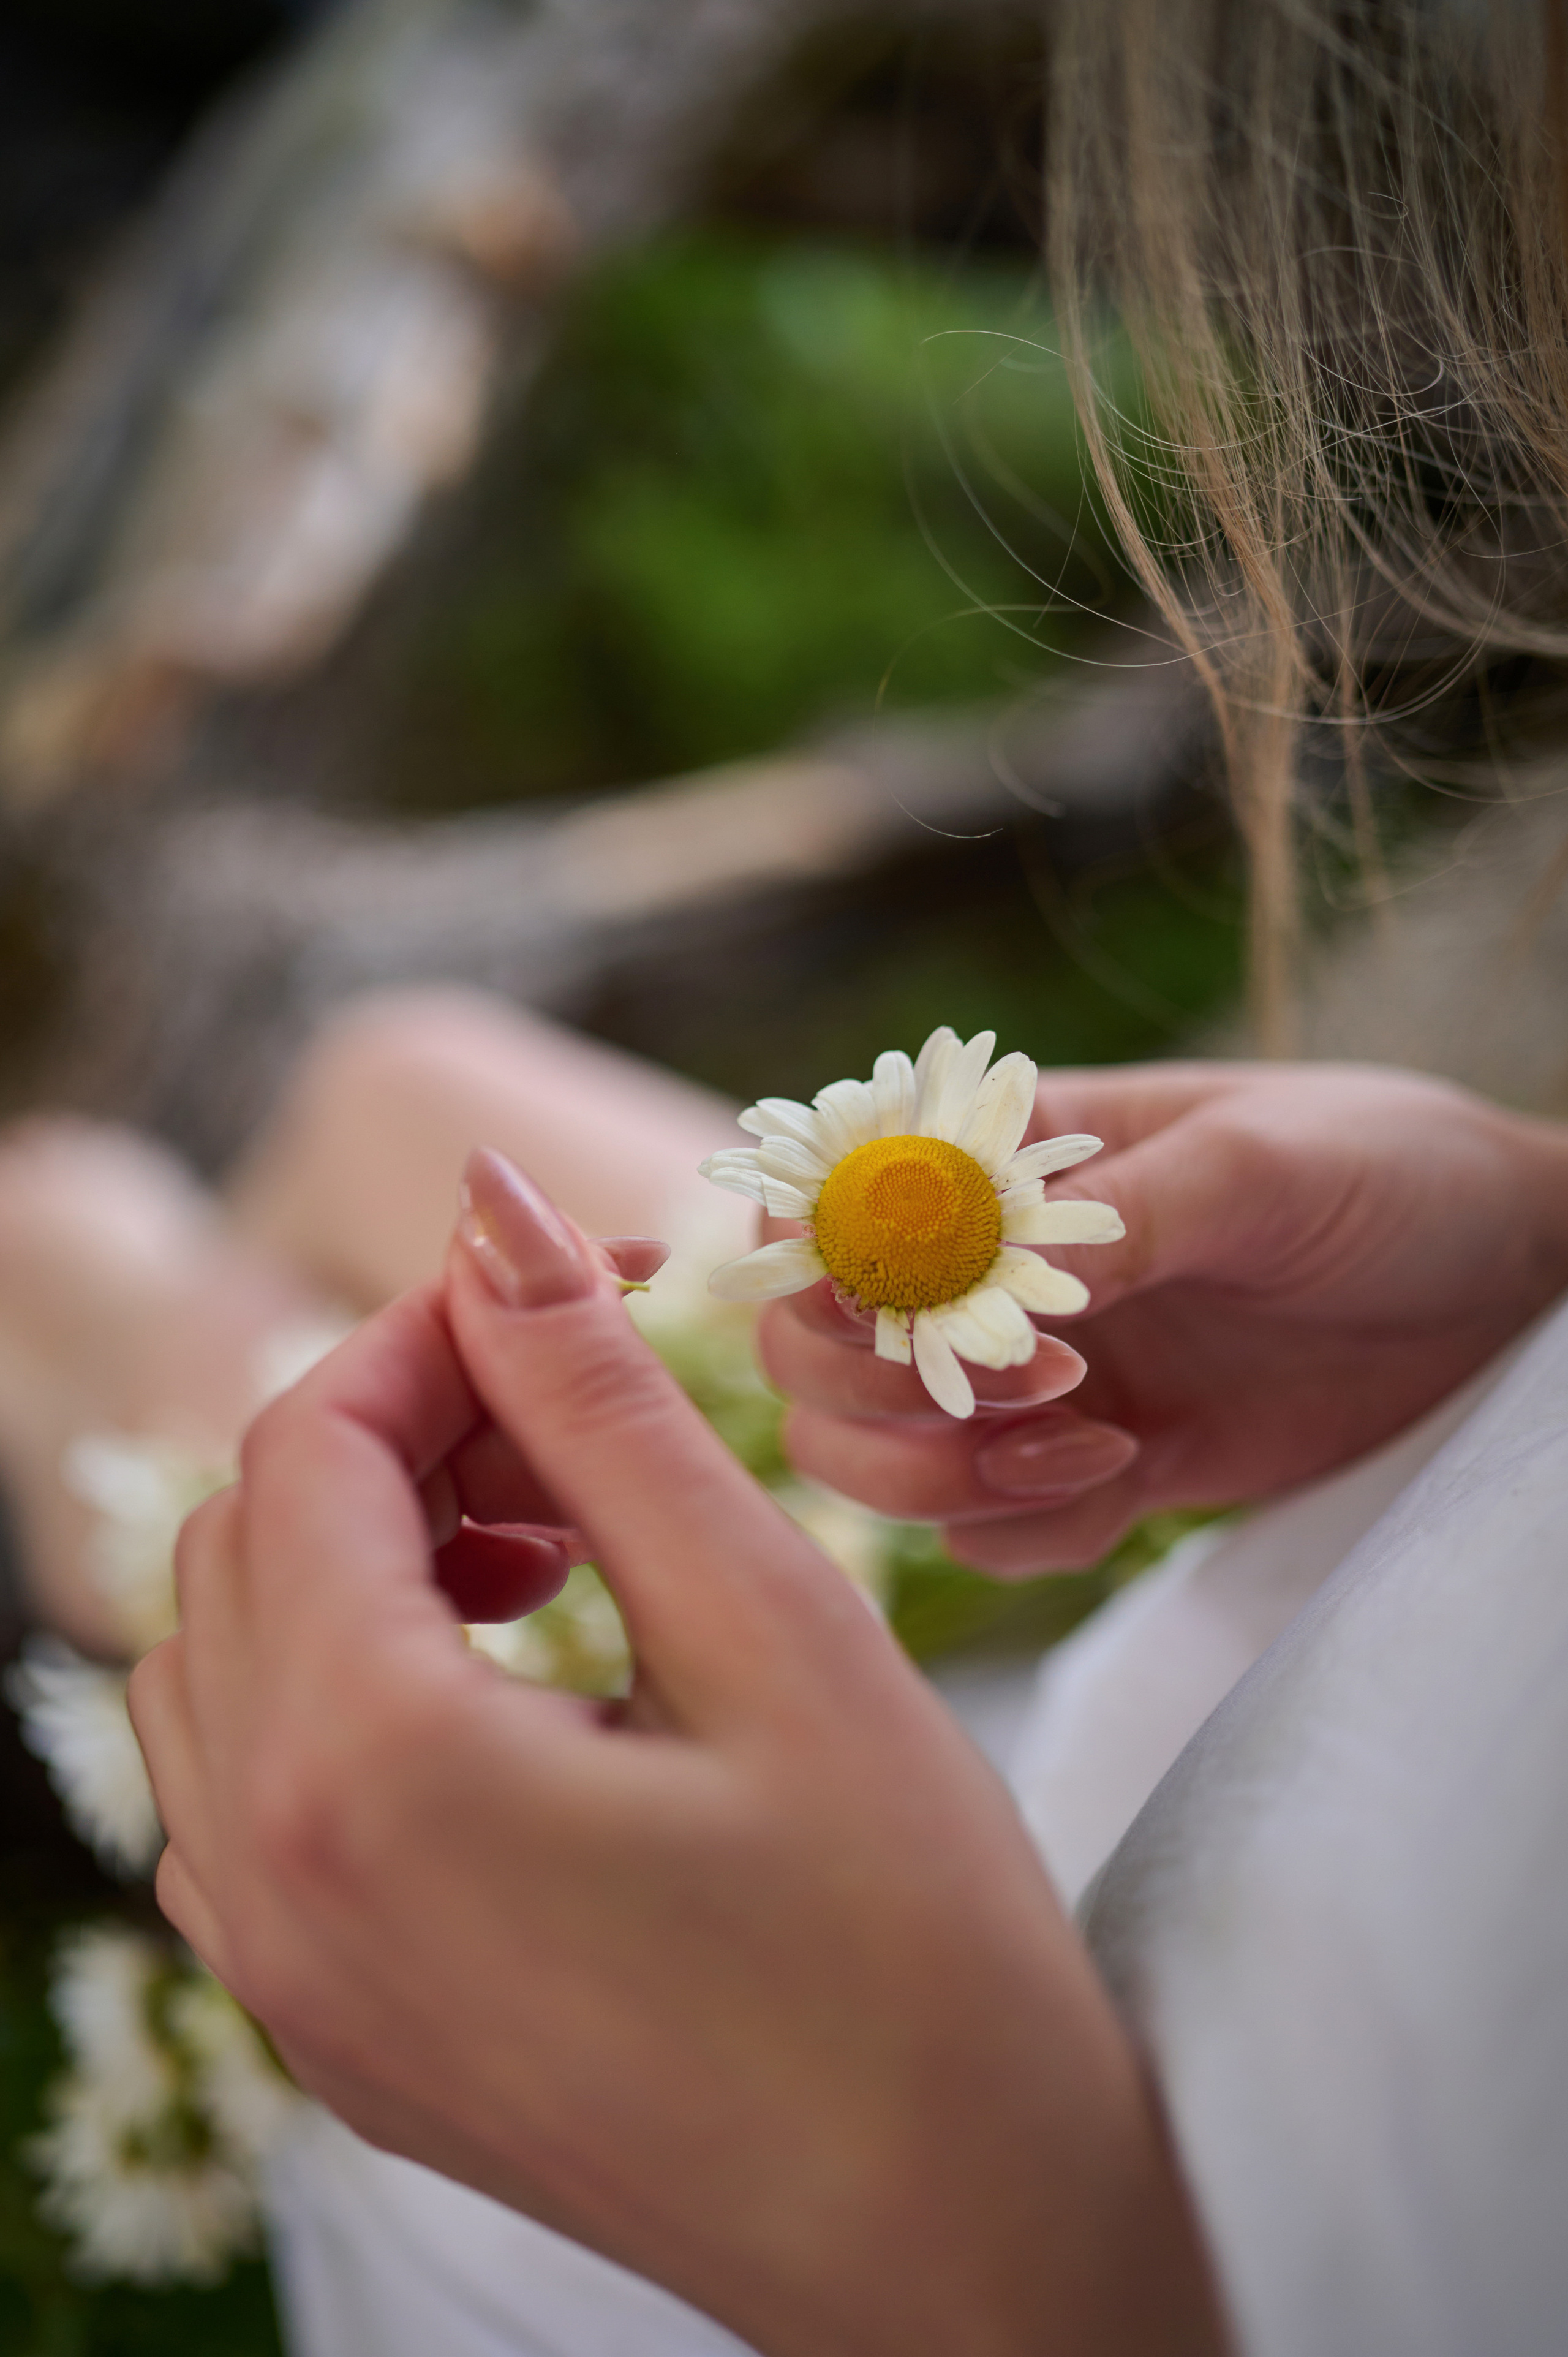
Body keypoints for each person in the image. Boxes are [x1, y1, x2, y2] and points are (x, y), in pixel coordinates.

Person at [68, 0, 1568, 2348]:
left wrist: (964, 2246)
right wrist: (1525, 1252)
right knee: (379, 1091)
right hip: (1199, 1678)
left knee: (79, 1265)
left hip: (829, 2123)